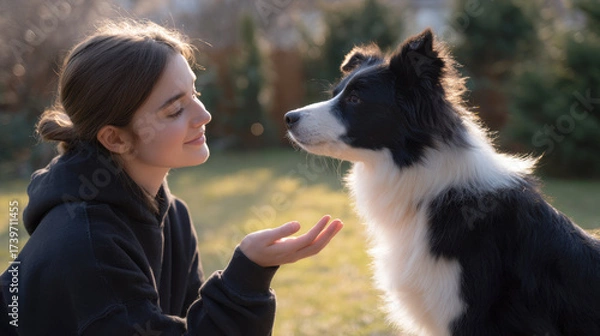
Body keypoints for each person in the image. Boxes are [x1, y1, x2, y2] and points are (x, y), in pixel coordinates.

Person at [0, 19, 343, 335]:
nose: (204, 115)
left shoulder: (170, 213)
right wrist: (245, 276)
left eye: (195, 93)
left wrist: (252, 269)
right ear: (116, 139)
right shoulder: (87, 249)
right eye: (175, 110)